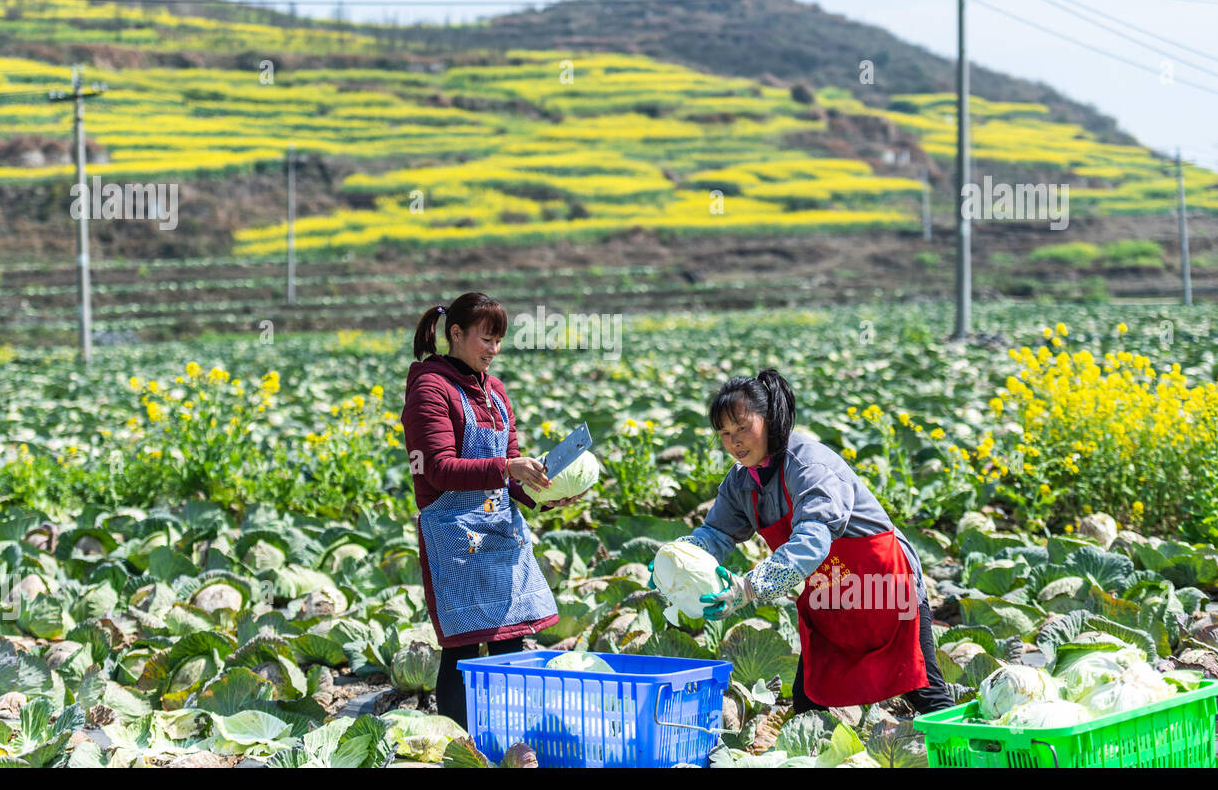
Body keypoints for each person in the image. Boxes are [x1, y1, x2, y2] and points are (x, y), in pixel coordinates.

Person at [654, 369, 953, 714]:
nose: (734, 442)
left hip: (885, 586)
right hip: (833, 594)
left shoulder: (809, 465)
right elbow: (717, 534)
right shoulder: (740, 482)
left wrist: (749, 588)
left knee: (925, 692)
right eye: (724, 433)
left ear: (769, 420)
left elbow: (812, 542)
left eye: (742, 428)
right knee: (810, 700)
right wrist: (675, 560)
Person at [401, 292, 588, 726]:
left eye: (499, 341)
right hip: (455, 535)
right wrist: (508, 466)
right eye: (487, 339)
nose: (494, 350)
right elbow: (440, 470)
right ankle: (460, 741)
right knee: (464, 647)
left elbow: (510, 476)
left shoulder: (495, 391)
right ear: (456, 334)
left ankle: (506, 738)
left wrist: (543, 492)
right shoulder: (430, 388)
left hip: (501, 532)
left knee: (509, 641)